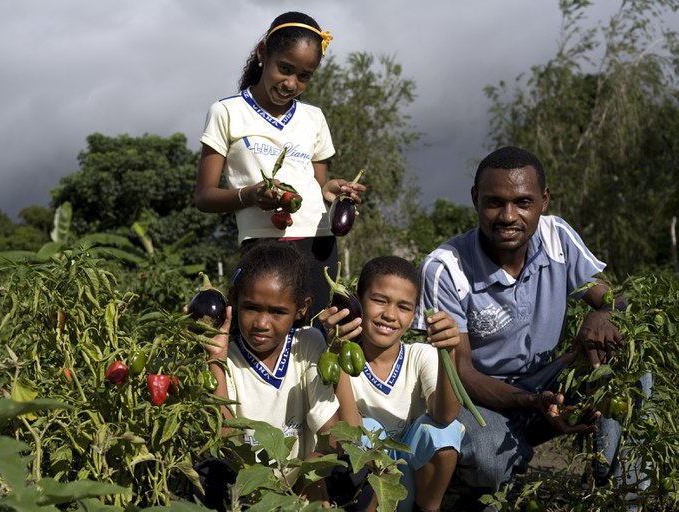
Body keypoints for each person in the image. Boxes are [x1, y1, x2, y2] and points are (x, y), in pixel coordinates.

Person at [415, 145, 647, 504]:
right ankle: (472, 479)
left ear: (544, 200)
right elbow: (460, 371)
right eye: (494, 202)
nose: (509, 216)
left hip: (547, 385)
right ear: (475, 199)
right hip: (481, 401)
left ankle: (621, 491)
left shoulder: (557, 237)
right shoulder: (445, 267)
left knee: (633, 358)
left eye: (523, 202)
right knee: (489, 457)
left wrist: (601, 315)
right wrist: (531, 402)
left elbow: (614, 299)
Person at [194, 11, 365, 321]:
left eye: (304, 76)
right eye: (284, 68)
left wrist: (333, 192)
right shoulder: (227, 112)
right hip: (262, 244)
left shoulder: (314, 118)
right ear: (263, 53)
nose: (291, 83)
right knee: (260, 334)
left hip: (318, 244)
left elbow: (319, 187)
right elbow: (204, 197)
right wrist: (250, 195)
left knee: (317, 334)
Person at [196, 241, 341, 509]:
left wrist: (312, 472)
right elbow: (226, 444)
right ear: (235, 303)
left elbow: (331, 431)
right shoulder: (226, 358)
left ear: (301, 308)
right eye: (251, 308)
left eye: (277, 312)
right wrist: (215, 358)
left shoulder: (307, 344)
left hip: (301, 488)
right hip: (245, 490)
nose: (262, 323)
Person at [320, 255, 465, 512]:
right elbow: (351, 432)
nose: (389, 315)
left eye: (404, 307)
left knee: (444, 430)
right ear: (357, 301)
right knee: (368, 429)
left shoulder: (420, 355)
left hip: (412, 481)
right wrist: (338, 350)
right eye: (379, 300)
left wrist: (448, 352)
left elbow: (446, 415)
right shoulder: (338, 358)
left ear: (414, 315)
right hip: (367, 483)